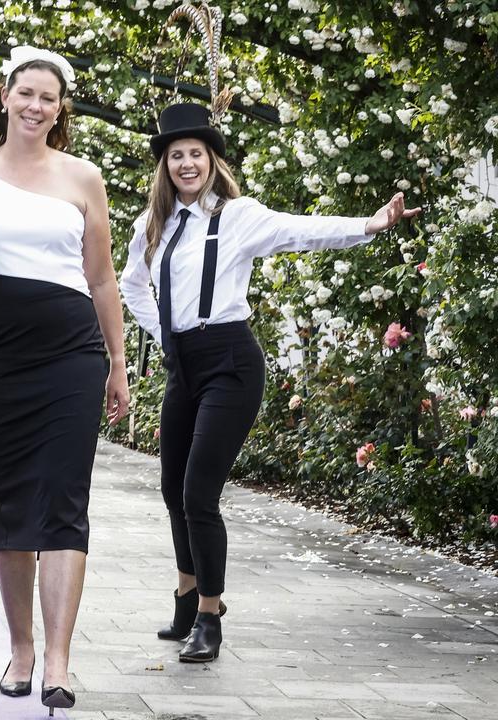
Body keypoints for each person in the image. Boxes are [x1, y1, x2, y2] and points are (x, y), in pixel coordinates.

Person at [120, 102, 421, 663]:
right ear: (164, 165)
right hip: (181, 363)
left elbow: (300, 230)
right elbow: (131, 285)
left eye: (196, 154)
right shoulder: (152, 224)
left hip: (231, 362)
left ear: (212, 161)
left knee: (197, 493)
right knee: (170, 489)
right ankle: (186, 596)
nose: (187, 164)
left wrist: (370, 224)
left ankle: (210, 615)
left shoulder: (239, 215)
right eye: (177, 155)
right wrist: (164, 335)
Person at [0, 47, 130, 715]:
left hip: (72, 355)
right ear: (4, 98)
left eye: (49, 97)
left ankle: (60, 662)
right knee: (12, 502)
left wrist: (118, 363)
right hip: (0, 356)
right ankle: (21, 649)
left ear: (59, 107)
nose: (36, 106)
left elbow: (100, 278)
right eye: (26, 94)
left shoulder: (84, 178)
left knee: (64, 500)